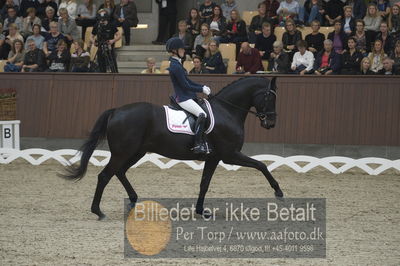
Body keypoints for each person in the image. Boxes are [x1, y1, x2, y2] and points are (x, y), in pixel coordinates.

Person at [165, 37, 212, 154]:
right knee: (202, 114)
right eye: (181, 48)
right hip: (183, 98)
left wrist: (202, 86)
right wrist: (201, 89)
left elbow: (189, 81)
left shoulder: (177, 63)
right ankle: (197, 144)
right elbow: (185, 85)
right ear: (175, 50)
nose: (184, 51)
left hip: (187, 96)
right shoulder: (175, 66)